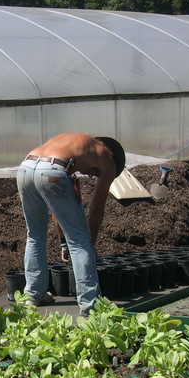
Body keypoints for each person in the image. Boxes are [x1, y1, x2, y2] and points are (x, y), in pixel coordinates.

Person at [16, 132, 125, 316]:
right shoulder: (108, 160)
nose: (90, 176)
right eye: (94, 173)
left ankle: (33, 295)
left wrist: (63, 240)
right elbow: (96, 209)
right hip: (52, 170)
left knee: (34, 235)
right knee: (79, 240)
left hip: (26, 168)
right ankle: (91, 305)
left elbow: (57, 210)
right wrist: (89, 243)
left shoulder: (76, 145)